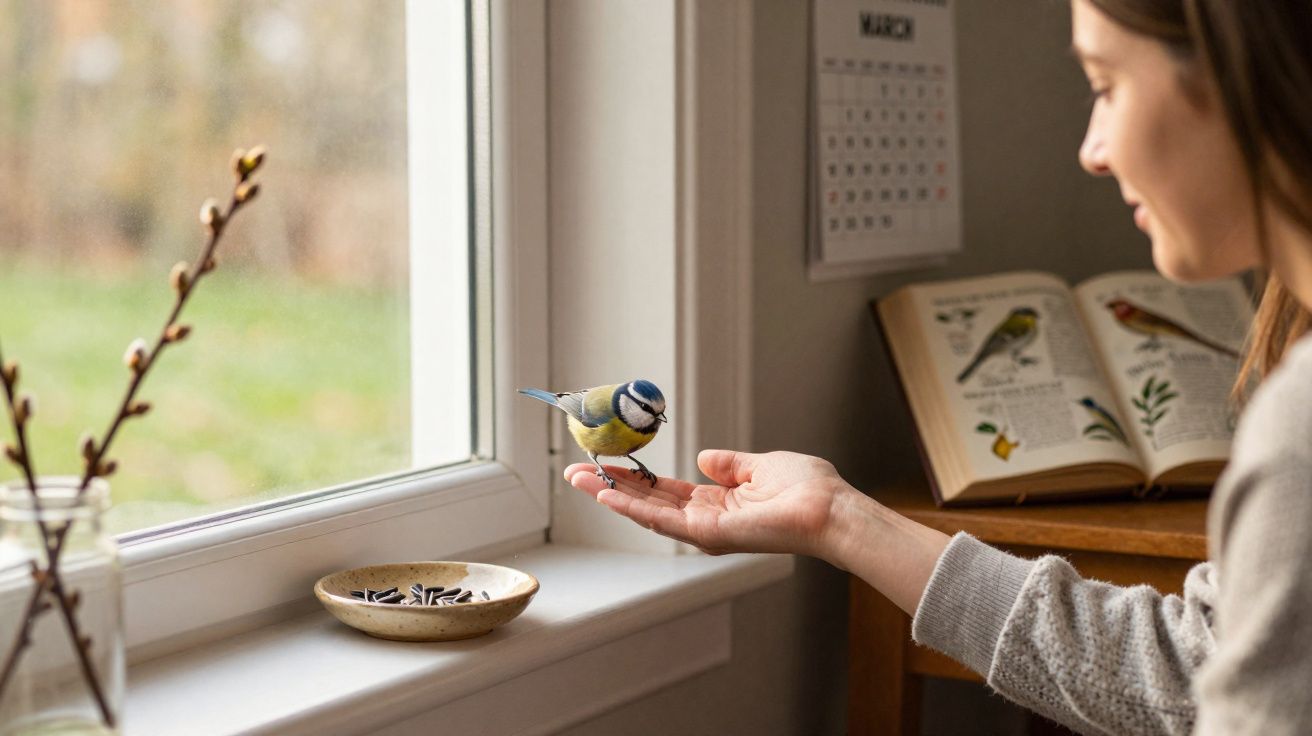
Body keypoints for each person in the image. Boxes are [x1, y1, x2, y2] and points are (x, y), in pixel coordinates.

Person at [564, 1, 1312, 733]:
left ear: (1239, 71)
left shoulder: (1298, 427)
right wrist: (838, 518)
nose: (1092, 148)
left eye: (1106, 84)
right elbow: (1198, 671)